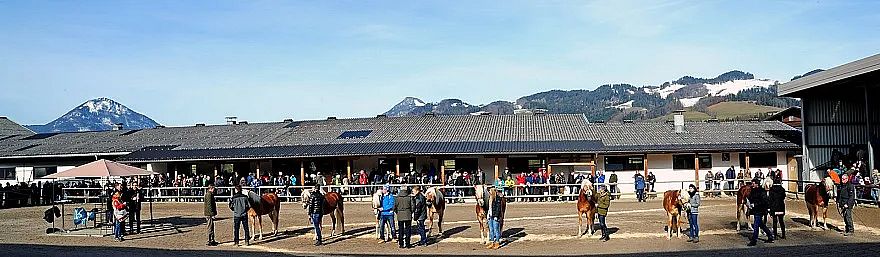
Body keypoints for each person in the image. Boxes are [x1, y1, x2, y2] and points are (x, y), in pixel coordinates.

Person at [747, 179, 774, 246]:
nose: (752, 185)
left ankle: (754, 240)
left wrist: (755, 204)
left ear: (757, 184)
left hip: (760, 210)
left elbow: (763, 201)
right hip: (755, 209)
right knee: (761, 225)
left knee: (756, 225)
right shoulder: (753, 190)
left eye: (753, 183)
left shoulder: (762, 191)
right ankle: (770, 236)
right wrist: (748, 202)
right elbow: (750, 198)